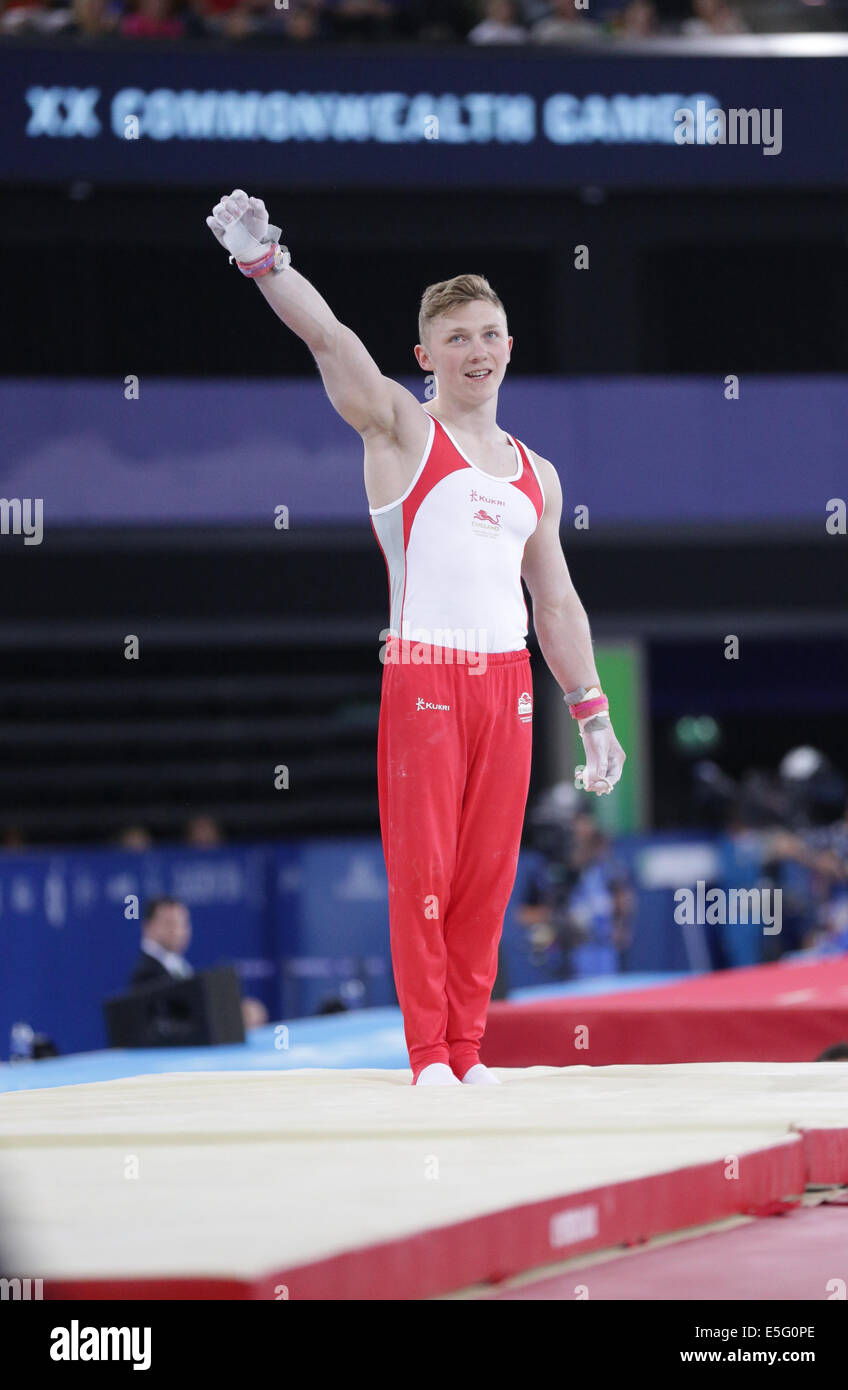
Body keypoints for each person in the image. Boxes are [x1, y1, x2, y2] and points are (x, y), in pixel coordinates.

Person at [206, 190, 626, 1085]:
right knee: (424, 874)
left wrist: (591, 712)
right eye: (457, 338)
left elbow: (556, 603)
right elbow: (329, 341)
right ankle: (428, 1054)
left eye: (489, 334)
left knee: (487, 879)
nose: (476, 351)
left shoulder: (535, 477)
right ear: (424, 356)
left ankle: (469, 1053)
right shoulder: (400, 428)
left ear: (510, 346)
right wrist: (264, 262)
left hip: (507, 685)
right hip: (426, 680)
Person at [518, 809, 634, 979]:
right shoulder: (554, 871)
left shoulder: (608, 869)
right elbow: (525, 914)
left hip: (604, 949)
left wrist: (622, 925)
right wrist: (554, 918)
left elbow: (623, 899)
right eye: (579, 839)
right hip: (573, 950)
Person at [130, 896, 267, 1030]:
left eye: (183, 923)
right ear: (147, 926)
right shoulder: (146, 972)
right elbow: (174, 1024)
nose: (178, 931)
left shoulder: (175, 964)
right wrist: (233, 1015)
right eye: (169, 923)